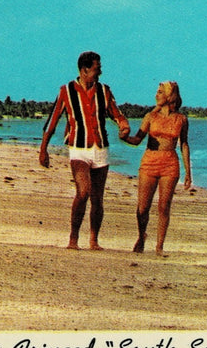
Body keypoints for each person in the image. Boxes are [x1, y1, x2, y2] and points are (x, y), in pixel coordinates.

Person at [38, 51, 130, 250]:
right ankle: (73, 239)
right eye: (97, 69)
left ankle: (94, 240)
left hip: (101, 149)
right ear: (84, 69)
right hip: (78, 149)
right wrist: (43, 149)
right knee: (83, 192)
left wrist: (124, 126)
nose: (100, 72)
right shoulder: (66, 91)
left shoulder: (104, 91)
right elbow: (52, 121)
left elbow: (117, 114)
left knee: (98, 198)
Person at [122, 81, 192, 256]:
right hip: (149, 161)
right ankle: (141, 235)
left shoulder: (181, 119)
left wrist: (188, 172)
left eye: (160, 92)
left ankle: (159, 246)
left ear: (169, 96)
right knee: (143, 208)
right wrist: (124, 138)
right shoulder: (150, 117)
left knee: (164, 206)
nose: (156, 94)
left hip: (170, 163)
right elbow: (137, 140)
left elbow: (184, 144)